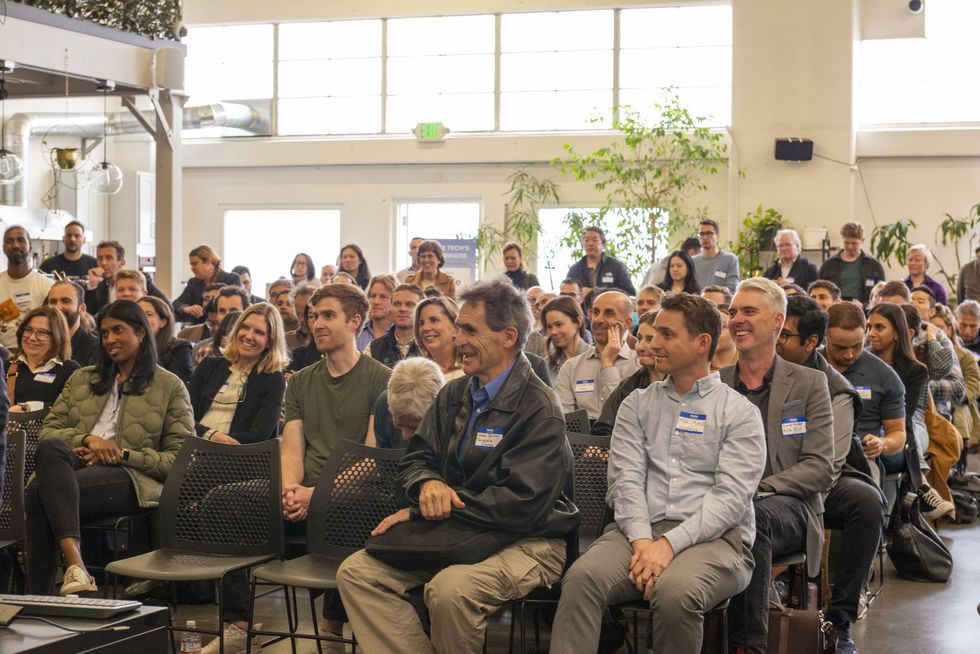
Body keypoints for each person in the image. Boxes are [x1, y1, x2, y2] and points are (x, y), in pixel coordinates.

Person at [337, 278, 578, 654]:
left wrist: (434, 505)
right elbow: (417, 459)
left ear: (509, 336)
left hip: (531, 540)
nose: (457, 338)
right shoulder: (452, 393)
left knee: (449, 591)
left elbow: (522, 502)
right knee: (357, 574)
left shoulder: (540, 408)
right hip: (458, 532)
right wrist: (427, 485)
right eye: (459, 328)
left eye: (469, 329)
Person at [552, 293, 763, 653]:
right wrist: (643, 542)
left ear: (702, 343)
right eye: (651, 335)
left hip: (715, 540)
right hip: (637, 532)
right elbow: (624, 480)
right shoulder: (637, 404)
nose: (651, 343)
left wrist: (668, 545)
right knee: (582, 578)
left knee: (676, 592)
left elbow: (729, 501)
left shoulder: (739, 412)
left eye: (666, 334)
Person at [25, 300, 193, 596]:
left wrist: (120, 453)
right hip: (74, 463)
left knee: (38, 494)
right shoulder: (82, 378)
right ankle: (76, 565)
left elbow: (179, 459)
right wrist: (90, 441)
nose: (110, 339)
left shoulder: (169, 386)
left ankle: (43, 595)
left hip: (129, 477)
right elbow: (49, 431)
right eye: (104, 333)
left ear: (141, 333)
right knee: (51, 448)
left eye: (118, 330)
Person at [719, 278, 834, 654]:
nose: (737, 319)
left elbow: (820, 469)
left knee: (753, 516)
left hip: (790, 507)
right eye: (733, 312)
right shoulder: (716, 384)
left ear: (777, 321)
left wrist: (758, 489)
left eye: (749, 311)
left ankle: (746, 647)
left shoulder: (809, 383)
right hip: (718, 503)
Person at [282, 283, 392, 642]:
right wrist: (289, 490)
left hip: (351, 489)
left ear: (355, 322)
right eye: (314, 316)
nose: (318, 324)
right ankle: (238, 624)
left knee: (351, 509)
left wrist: (315, 495)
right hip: (305, 487)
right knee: (228, 500)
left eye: (329, 316)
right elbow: (293, 450)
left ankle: (332, 626)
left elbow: (370, 459)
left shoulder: (382, 379)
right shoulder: (300, 381)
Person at [776, 295, 881, 653]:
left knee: (866, 503)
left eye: (784, 335)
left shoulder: (836, 389)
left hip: (817, 481)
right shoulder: (754, 368)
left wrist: (792, 502)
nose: (776, 340)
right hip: (763, 478)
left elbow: (828, 465)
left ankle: (840, 619)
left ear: (810, 343)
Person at [189, 302, 287, 446]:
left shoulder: (273, 380)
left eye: (259, 332)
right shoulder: (208, 366)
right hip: (193, 447)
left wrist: (218, 442)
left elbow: (259, 435)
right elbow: (184, 416)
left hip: (239, 459)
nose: (248, 336)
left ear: (269, 342)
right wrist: (211, 435)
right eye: (245, 327)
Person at [555, 290, 640, 420]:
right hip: (580, 438)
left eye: (609, 313)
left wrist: (607, 364)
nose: (598, 320)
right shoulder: (571, 367)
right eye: (596, 312)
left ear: (627, 323)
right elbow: (564, 420)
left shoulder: (639, 365)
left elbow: (624, 415)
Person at [591, 309, 665, 436]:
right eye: (639, 338)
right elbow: (602, 429)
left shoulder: (681, 385)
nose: (640, 347)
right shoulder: (628, 386)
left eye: (650, 339)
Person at [930, 304, 980, 457]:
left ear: (950, 329)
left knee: (958, 412)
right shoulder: (920, 351)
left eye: (940, 328)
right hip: (930, 407)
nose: (967, 331)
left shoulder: (964, 355)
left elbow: (974, 384)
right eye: (931, 328)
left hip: (958, 404)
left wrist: (956, 396)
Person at [7, 307, 79, 408]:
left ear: (57, 337)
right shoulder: (6, 366)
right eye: (28, 330)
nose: (32, 337)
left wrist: (27, 408)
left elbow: (72, 408)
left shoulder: (70, 370)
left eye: (42, 333)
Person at [0, 226, 55, 350]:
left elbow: (51, 328)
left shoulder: (47, 286)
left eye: (21, 240)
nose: (15, 245)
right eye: (10, 241)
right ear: (3, 248)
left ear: (30, 246)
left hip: (36, 354)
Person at [372, 357, 445, 449]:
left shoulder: (451, 414)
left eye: (414, 428)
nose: (405, 436)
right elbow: (383, 460)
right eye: (399, 425)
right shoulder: (383, 405)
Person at [85, 241, 170, 314]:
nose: (103, 263)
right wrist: (92, 285)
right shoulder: (99, 283)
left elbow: (167, 307)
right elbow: (90, 315)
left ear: (121, 263)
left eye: (109, 258)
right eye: (100, 258)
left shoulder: (139, 279)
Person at [817, 222, 885, 305]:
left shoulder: (874, 265)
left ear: (862, 240)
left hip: (863, 313)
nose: (850, 247)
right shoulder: (828, 265)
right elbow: (819, 291)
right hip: (834, 310)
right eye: (846, 243)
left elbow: (882, 294)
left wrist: (864, 306)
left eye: (854, 243)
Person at [172, 245, 242, 324]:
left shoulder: (232, 279)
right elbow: (176, 304)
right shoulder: (193, 282)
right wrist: (186, 308)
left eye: (194, 264)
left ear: (209, 261)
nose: (192, 268)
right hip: (200, 330)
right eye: (191, 265)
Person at [565, 226, 636, 296]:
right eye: (586, 240)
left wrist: (596, 292)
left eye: (594, 240)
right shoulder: (575, 269)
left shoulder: (616, 267)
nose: (590, 244)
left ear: (603, 244)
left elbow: (630, 294)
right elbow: (566, 295)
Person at [137, 296, 193, 384]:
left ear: (162, 322)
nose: (142, 319)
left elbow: (175, 386)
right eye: (138, 314)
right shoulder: (129, 348)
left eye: (148, 314)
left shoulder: (180, 348)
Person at [367, 284, 423, 368]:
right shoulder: (372, 348)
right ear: (391, 308)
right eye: (397, 304)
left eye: (409, 305)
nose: (402, 309)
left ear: (421, 310)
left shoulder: (430, 346)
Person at [46, 280, 99, 367]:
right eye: (53, 302)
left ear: (81, 309)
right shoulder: (40, 343)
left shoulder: (95, 349)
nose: (58, 307)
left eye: (66, 301)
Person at [413, 295, 463, 381]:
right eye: (421, 323)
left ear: (455, 328)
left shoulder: (471, 372)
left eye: (434, 320)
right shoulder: (415, 374)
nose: (425, 328)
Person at [541, 296, 590, 381]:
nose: (553, 332)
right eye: (549, 327)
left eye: (559, 325)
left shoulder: (596, 358)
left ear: (578, 322)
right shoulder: (546, 365)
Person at [692, 219, 739, 292]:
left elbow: (732, 288)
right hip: (697, 302)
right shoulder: (692, 261)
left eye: (709, 233)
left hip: (721, 302)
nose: (705, 237)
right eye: (701, 234)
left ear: (718, 236)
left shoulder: (730, 259)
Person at [357, 275, 395, 352]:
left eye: (383, 297)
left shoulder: (400, 334)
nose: (376, 302)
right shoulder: (357, 332)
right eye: (373, 296)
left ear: (395, 301)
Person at [285, 283, 316, 352]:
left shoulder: (328, 340)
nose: (302, 319)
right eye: (298, 314)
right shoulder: (287, 340)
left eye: (306, 313)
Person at [711, 303, 737, 371]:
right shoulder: (698, 365)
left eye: (722, 327)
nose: (714, 332)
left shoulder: (745, 367)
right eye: (711, 326)